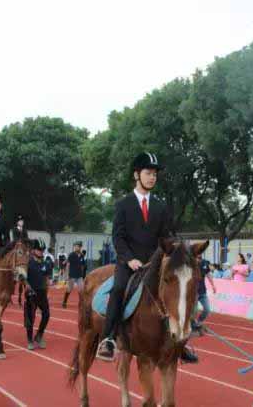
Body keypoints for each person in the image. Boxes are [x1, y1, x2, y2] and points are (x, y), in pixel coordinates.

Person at [97, 152, 185, 362]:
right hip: (129, 263)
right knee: (118, 289)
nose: (152, 177)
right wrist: (129, 259)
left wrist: (173, 249)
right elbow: (117, 237)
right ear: (137, 174)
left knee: (179, 286)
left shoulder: (161, 206)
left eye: (155, 173)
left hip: (154, 264)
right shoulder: (123, 204)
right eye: (148, 173)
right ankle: (108, 338)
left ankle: (182, 339)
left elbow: (166, 236)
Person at [25, 239, 51, 350]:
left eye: (42, 250)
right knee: (31, 317)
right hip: (31, 293)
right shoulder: (28, 263)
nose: (41, 252)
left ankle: (39, 335)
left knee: (46, 314)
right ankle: (30, 339)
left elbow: (46, 278)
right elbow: (22, 277)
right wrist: (26, 285)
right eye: (39, 250)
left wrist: (47, 290)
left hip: (42, 293)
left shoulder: (45, 263)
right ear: (33, 250)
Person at [192, 251, 217, 334]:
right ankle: (192, 325)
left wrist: (213, 285)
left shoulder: (204, 263)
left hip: (202, 291)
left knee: (207, 310)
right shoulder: (190, 263)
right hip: (193, 292)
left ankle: (198, 322)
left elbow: (208, 274)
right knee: (194, 311)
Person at [62, 241, 86, 308]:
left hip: (79, 276)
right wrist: (66, 275)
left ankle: (81, 303)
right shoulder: (71, 255)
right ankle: (64, 302)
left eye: (77, 246)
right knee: (69, 289)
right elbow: (68, 265)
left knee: (81, 290)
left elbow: (82, 265)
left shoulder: (82, 255)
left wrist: (83, 275)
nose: (76, 247)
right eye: (75, 246)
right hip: (72, 275)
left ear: (80, 247)